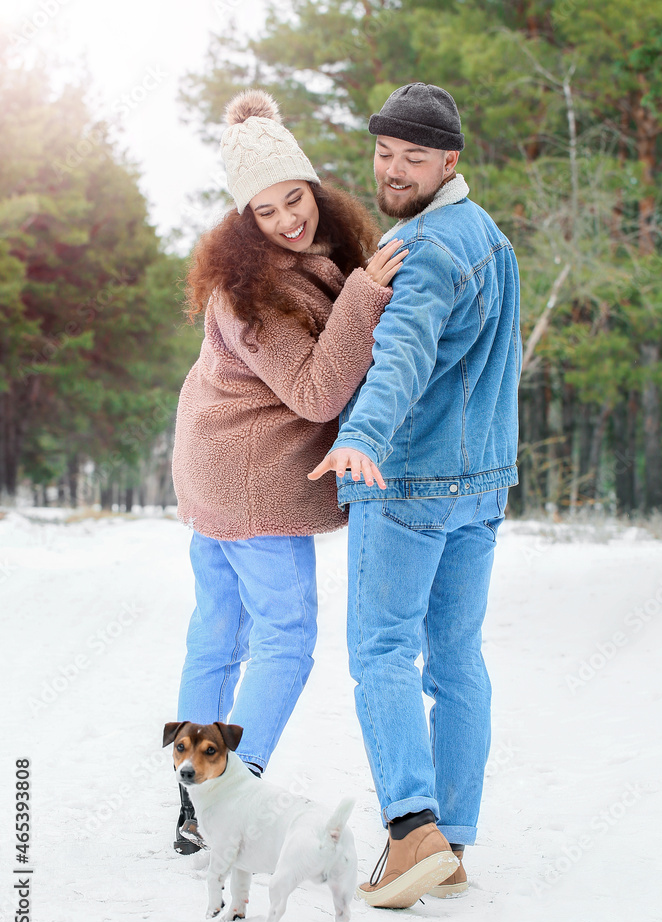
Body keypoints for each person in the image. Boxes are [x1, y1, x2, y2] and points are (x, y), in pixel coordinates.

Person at [170, 89, 405, 854]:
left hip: (215, 465)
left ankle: (190, 799)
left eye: (293, 199)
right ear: (244, 222)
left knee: (217, 634)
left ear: (313, 188)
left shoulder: (305, 258)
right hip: (247, 480)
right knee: (284, 638)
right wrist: (368, 291)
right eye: (264, 212)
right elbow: (314, 390)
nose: (286, 220)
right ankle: (226, 794)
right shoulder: (250, 294)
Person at [310, 82, 521, 907]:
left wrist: (361, 435)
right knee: (457, 659)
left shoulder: (427, 246)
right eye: (384, 154)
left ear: (449, 161)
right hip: (479, 484)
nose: (393, 171)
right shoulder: (489, 239)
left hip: (409, 480)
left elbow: (400, 352)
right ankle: (452, 843)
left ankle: (409, 833)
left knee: (382, 653)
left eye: (412, 158)